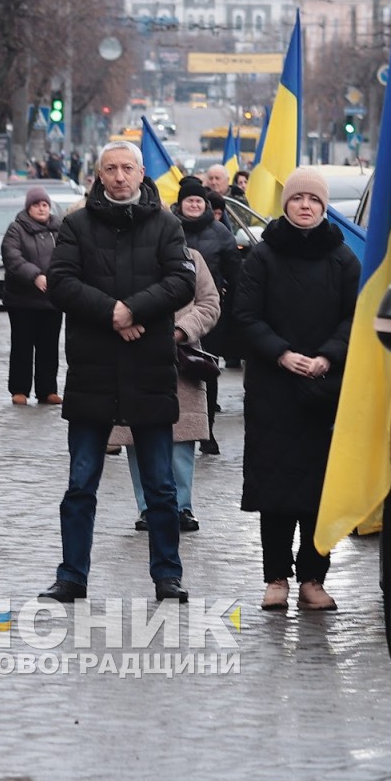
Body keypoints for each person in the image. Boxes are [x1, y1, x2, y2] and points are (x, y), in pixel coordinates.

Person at [42, 140, 196, 605]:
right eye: (110, 168)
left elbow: (181, 282)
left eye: (127, 168)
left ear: (141, 172)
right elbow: (62, 284)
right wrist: (112, 313)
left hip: (148, 369)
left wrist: (132, 310)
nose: (119, 176)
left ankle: (167, 574)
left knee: (161, 486)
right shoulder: (75, 225)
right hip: (93, 369)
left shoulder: (167, 225)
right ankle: (72, 576)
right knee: (81, 483)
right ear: (99, 173)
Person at [233, 167, 358, 613]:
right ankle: (276, 578)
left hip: (324, 392)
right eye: (298, 199)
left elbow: (354, 317)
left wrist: (327, 355)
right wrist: (283, 354)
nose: (305, 206)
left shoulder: (343, 259)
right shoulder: (262, 257)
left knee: (320, 492)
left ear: (325, 209)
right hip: (273, 390)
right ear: (286, 204)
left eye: (314, 201)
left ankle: (313, 579)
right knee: (276, 492)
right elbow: (245, 317)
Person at [113, 239, 219, 533]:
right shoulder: (124, 255)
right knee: (137, 434)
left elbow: (209, 303)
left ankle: (181, 506)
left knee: (182, 436)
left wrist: (181, 331)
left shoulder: (192, 257)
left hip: (180, 357)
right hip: (134, 351)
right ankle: (148, 507)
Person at [173, 175, 239, 451]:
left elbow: (235, 272)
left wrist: (232, 303)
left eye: (199, 200)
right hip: (174, 311)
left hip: (209, 312)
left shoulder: (221, 232)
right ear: (181, 204)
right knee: (176, 373)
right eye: (189, 200)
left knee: (205, 370)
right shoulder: (168, 228)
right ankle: (176, 426)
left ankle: (206, 430)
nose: (194, 205)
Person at [0, 185, 63, 405]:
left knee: (49, 347)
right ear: (28, 208)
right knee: (22, 347)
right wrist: (35, 276)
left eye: (45, 204)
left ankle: (48, 390)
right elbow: (12, 257)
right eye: (36, 205)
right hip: (22, 300)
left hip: (52, 300)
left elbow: (68, 256)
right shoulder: (16, 229)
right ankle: (20, 389)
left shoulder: (59, 228)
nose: (41, 208)